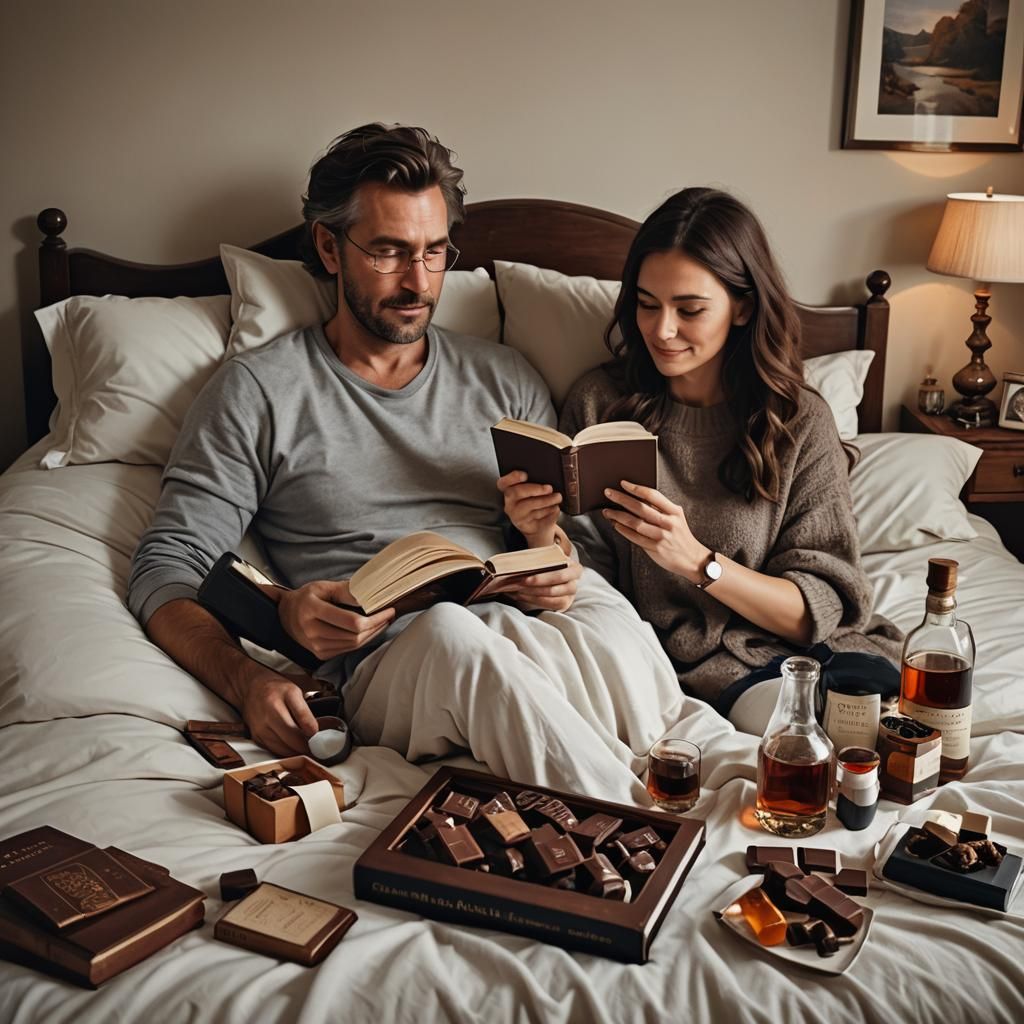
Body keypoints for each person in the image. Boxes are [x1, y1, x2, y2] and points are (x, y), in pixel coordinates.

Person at [127, 123, 685, 805]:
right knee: (455, 634)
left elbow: (582, 551)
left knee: (597, 606)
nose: (418, 282)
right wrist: (251, 673)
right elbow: (167, 567)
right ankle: (637, 828)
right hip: (390, 659)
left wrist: (553, 558)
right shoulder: (260, 390)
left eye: (434, 252)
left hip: (520, 624)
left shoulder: (503, 376)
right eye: (389, 252)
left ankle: (670, 768)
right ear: (329, 248)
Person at [510, 187, 902, 730]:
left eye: (689, 309)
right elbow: (584, 580)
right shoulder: (600, 405)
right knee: (795, 735)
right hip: (692, 666)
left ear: (743, 306)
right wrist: (537, 534)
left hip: (811, 649)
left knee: (875, 732)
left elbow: (818, 610)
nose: (661, 330)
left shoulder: (798, 421)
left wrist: (694, 560)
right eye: (647, 304)